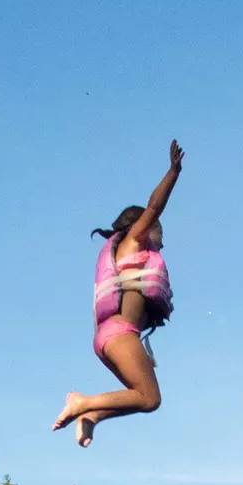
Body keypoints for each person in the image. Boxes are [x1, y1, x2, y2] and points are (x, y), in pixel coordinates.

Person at [53, 140, 183, 448]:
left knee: (138, 398)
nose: (162, 244)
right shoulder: (133, 242)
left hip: (111, 338)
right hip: (119, 335)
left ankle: (91, 415)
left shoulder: (129, 256)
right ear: (143, 227)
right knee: (150, 398)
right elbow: (154, 207)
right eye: (160, 233)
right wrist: (174, 172)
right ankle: (82, 403)